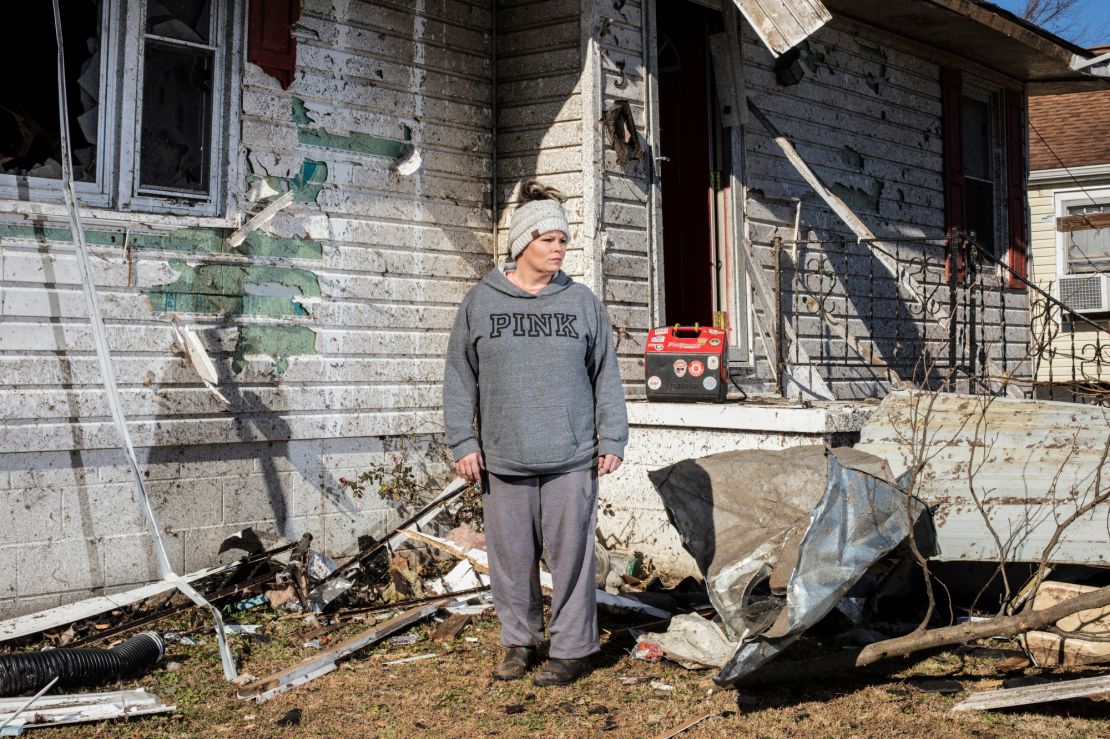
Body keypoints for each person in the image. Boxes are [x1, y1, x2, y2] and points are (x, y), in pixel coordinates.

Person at [442, 180, 629, 686]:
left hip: (571, 457)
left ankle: (572, 650)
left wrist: (613, 439)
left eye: (564, 241)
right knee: (511, 561)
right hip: (504, 459)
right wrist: (463, 441)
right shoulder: (480, 303)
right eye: (549, 240)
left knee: (571, 560)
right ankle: (520, 643)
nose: (559, 249)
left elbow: (606, 375)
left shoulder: (582, 303)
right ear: (523, 242)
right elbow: (460, 377)